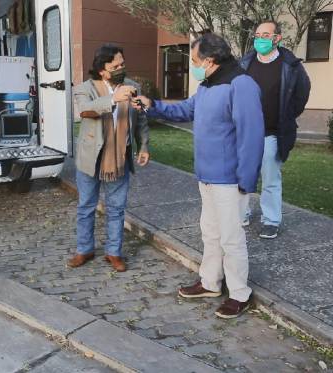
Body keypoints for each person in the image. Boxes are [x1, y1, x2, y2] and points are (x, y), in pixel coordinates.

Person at [133, 33, 265, 318]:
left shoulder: (240, 85)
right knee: (210, 232)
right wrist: (151, 104)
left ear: (210, 59)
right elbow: (184, 110)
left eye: (194, 60)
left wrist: (246, 181)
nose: (193, 65)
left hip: (230, 179)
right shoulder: (207, 85)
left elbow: (252, 137)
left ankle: (240, 293)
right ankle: (210, 282)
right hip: (206, 175)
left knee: (231, 238)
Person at [67, 44, 150, 273]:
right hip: (90, 158)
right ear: (103, 70)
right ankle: (85, 249)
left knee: (117, 208)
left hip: (119, 158)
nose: (121, 67)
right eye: (116, 65)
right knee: (86, 206)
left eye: (123, 63)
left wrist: (144, 146)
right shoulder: (86, 88)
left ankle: (114, 252)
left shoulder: (133, 87)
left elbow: (141, 119)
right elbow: (84, 111)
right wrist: (114, 99)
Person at [240, 20, 311, 239]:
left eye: (266, 35)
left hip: (272, 132)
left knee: (270, 177)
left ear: (277, 38)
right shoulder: (244, 63)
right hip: (246, 133)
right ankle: (241, 213)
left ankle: (271, 220)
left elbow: (301, 94)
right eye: (258, 35)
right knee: (241, 176)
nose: (260, 39)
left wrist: (287, 117)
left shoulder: (291, 66)